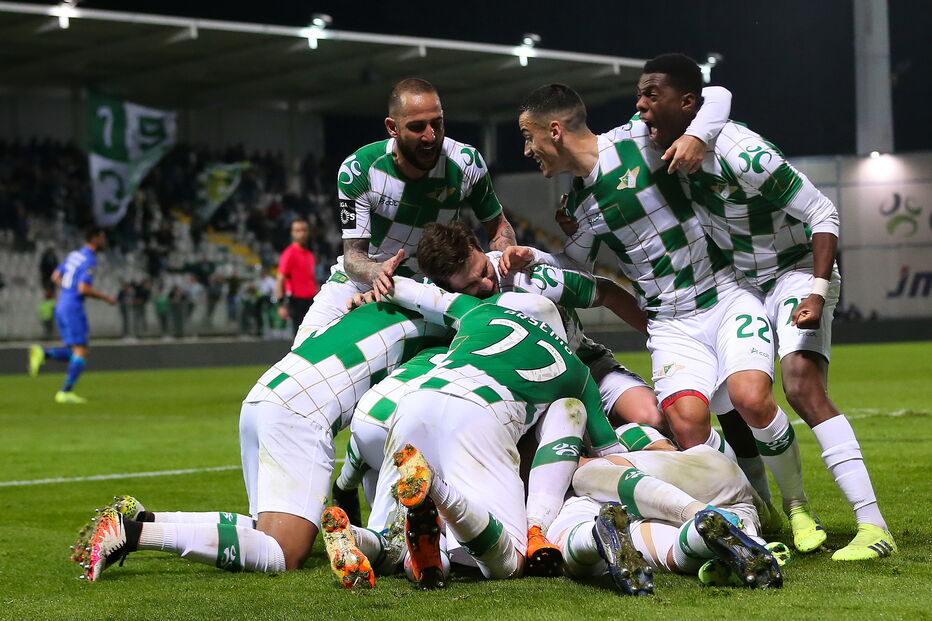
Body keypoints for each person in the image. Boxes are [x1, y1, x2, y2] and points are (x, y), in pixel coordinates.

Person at [511, 81, 820, 551]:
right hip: (670, 322)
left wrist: (696, 137)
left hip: (725, 292)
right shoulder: (576, 206)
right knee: (689, 426)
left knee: (751, 401)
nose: (527, 148)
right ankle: (755, 513)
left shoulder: (637, 138)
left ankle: (799, 509)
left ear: (554, 130)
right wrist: (529, 260)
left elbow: (715, 94)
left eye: (529, 136)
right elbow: (575, 273)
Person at [640, 53, 894, 561]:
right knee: (735, 400)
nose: (642, 108)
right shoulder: (666, 142)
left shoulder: (742, 153)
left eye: (651, 96)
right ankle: (776, 514)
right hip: (741, 284)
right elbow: (713, 96)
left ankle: (873, 526)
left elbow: (823, 212)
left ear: (686, 104)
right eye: (639, 97)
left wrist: (817, 290)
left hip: (795, 270)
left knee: (800, 385)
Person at [71, 300, 450, 582]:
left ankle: (142, 516)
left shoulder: (367, 305)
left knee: (262, 531)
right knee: (283, 552)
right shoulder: (441, 331)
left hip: (263, 396)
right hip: (300, 416)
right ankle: (132, 534)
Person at [293, 77, 516, 345]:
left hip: (432, 286)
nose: (430, 136)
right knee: (304, 351)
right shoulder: (359, 170)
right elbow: (353, 257)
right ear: (392, 127)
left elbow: (499, 228)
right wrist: (377, 273)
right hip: (366, 280)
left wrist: (506, 253)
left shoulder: (466, 162)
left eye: (437, 123)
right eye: (417, 127)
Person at [28, 227, 115, 403]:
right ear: (95, 238)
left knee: (76, 351)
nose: (104, 241)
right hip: (73, 307)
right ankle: (65, 392)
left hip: (62, 304)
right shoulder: (89, 260)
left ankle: (43, 354)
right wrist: (106, 298)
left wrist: (67, 291)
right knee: (81, 350)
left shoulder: (74, 255)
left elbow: (55, 276)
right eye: (102, 237)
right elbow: (83, 288)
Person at [274, 217, 319, 335]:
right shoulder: (289, 253)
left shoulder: (310, 254)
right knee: (300, 335)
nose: (302, 234)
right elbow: (280, 278)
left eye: (304, 230)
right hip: (297, 301)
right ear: (292, 233)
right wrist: (281, 304)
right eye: (298, 230)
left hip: (311, 300)